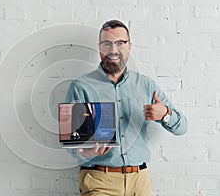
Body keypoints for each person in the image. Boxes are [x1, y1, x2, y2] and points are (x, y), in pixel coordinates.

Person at [65, 20, 188, 196]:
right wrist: (85, 151)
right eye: (107, 43)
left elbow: (182, 127)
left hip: (140, 181)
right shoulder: (81, 86)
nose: (113, 50)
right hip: (99, 180)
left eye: (120, 43)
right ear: (100, 47)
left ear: (129, 46)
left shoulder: (146, 85)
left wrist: (165, 115)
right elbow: (71, 144)